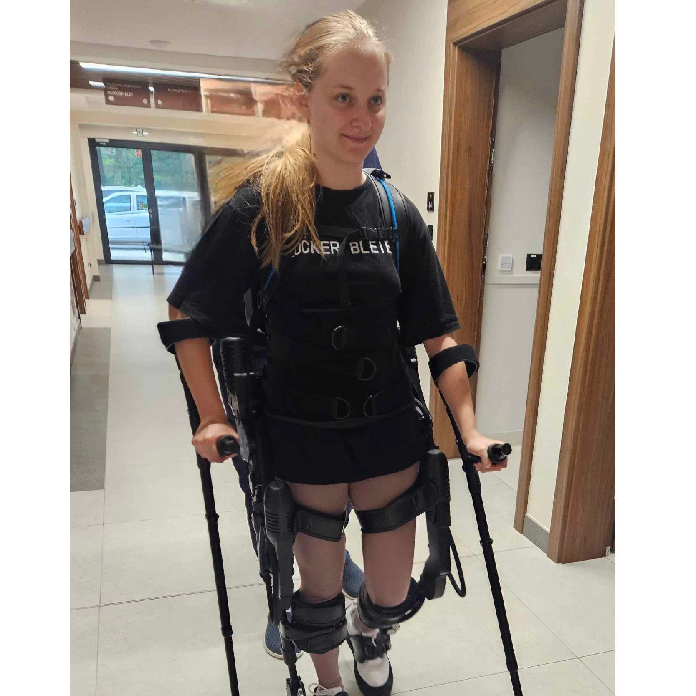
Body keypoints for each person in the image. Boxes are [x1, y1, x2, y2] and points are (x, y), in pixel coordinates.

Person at [165, 11, 507, 696]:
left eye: (375, 100)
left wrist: (468, 429)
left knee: (391, 592)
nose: (362, 117)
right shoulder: (263, 208)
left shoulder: (396, 212)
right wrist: (211, 414)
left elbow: (440, 332)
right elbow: (189, 312)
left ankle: (370, 634)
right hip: (301, 430)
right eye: (343, 97)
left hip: (388, 428)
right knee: (317, 593)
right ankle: (327, 686)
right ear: (304, 100)